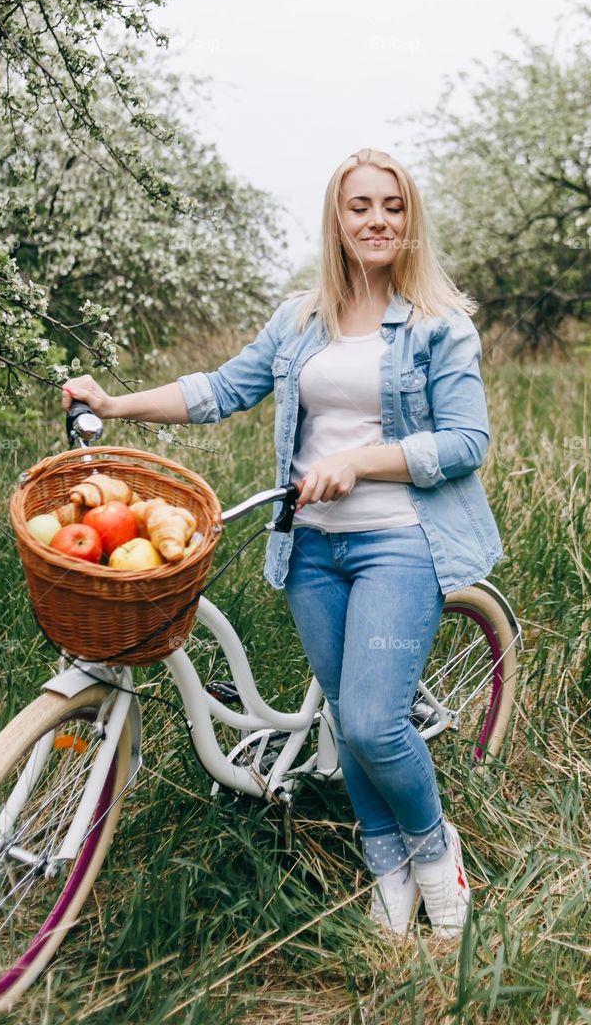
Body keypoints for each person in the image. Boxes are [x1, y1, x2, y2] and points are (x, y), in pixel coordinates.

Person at [61, 147, 504, 943]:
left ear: (411, 222)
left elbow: (467, 442)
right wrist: (115, 401)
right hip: (310, 551)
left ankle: (438, 856)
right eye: (360, 205)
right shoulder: (300, 319)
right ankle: (386, 866)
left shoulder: (440, 328)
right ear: (337, 219)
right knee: (343, 712)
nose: (377, 220)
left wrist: (359, 461)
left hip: (398, 541)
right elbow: (220, 390)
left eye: (392, 207)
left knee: (372, 725)